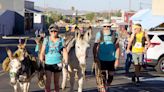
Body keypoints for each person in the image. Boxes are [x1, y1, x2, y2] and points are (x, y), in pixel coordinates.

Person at [40, 24, 68, 92]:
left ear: (57, 31)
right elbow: (42, 52)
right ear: (49, 32)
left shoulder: (61, 40)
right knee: (48, 82)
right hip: (48, 63)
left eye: (55, 31)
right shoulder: (46, 39)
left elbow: (65, 52)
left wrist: (66, 62)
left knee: (56, 83)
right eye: (51, 31)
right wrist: (41, 63)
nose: (53, 33)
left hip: (57, 63)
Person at [93, 21, 119, 91]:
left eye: (108, 26)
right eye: (105, 26)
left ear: (110, 27)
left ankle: (107, 85)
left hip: (112, 59)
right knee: (102, 74)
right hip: (101, 58)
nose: (107, 28)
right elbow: (95, 46)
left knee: (111, 75)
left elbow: (117, 47)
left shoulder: (114, 34)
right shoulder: (99, 34)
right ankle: (103, 87)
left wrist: (117, 59)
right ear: (103, 27)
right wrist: (95, 57)